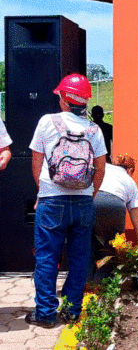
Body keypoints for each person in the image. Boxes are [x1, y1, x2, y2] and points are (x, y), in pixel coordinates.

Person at [27, 73, 107, 327]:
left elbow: (37, 161)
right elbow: (101, 168)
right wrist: (89, 195)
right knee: (80, 258)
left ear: (64, 98)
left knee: (47, 257)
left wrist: (43, 192)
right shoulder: (94, 130)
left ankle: (46, 314)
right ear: (84, 101)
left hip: (51, 200)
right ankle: (72, 311)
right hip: (83, 203)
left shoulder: (46, 122)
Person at [93, 154, 138, 264]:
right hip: (115, 206)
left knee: (88, 243)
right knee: (113, 246)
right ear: (130, 170)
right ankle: (104, 277)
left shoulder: (104, 167)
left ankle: (87, 279)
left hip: (92, 201)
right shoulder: (130, 181)